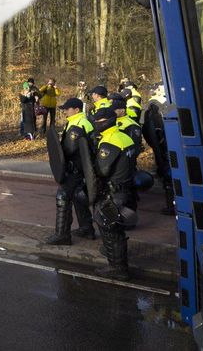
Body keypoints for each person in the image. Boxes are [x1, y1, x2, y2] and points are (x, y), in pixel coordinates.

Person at [91, 107, 138, 280]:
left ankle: (118, 267)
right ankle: (113, 254)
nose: (96, 124)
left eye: (98, 121)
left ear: (106, 122)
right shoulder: (124, 137)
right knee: (114, 227)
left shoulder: (109, 141)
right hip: (127, 188)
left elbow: (102, 170)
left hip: (114, 191)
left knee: (111, 227)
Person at [42, 98, 96, 245]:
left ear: (77, 110)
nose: (64, 111)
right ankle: (86, 228)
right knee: (78, 197)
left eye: (67, 108)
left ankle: (62, 235)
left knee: (63, 196)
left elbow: (69, 149)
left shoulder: (78, 125)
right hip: (82, 168)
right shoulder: (78, 121)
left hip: (76, 169)